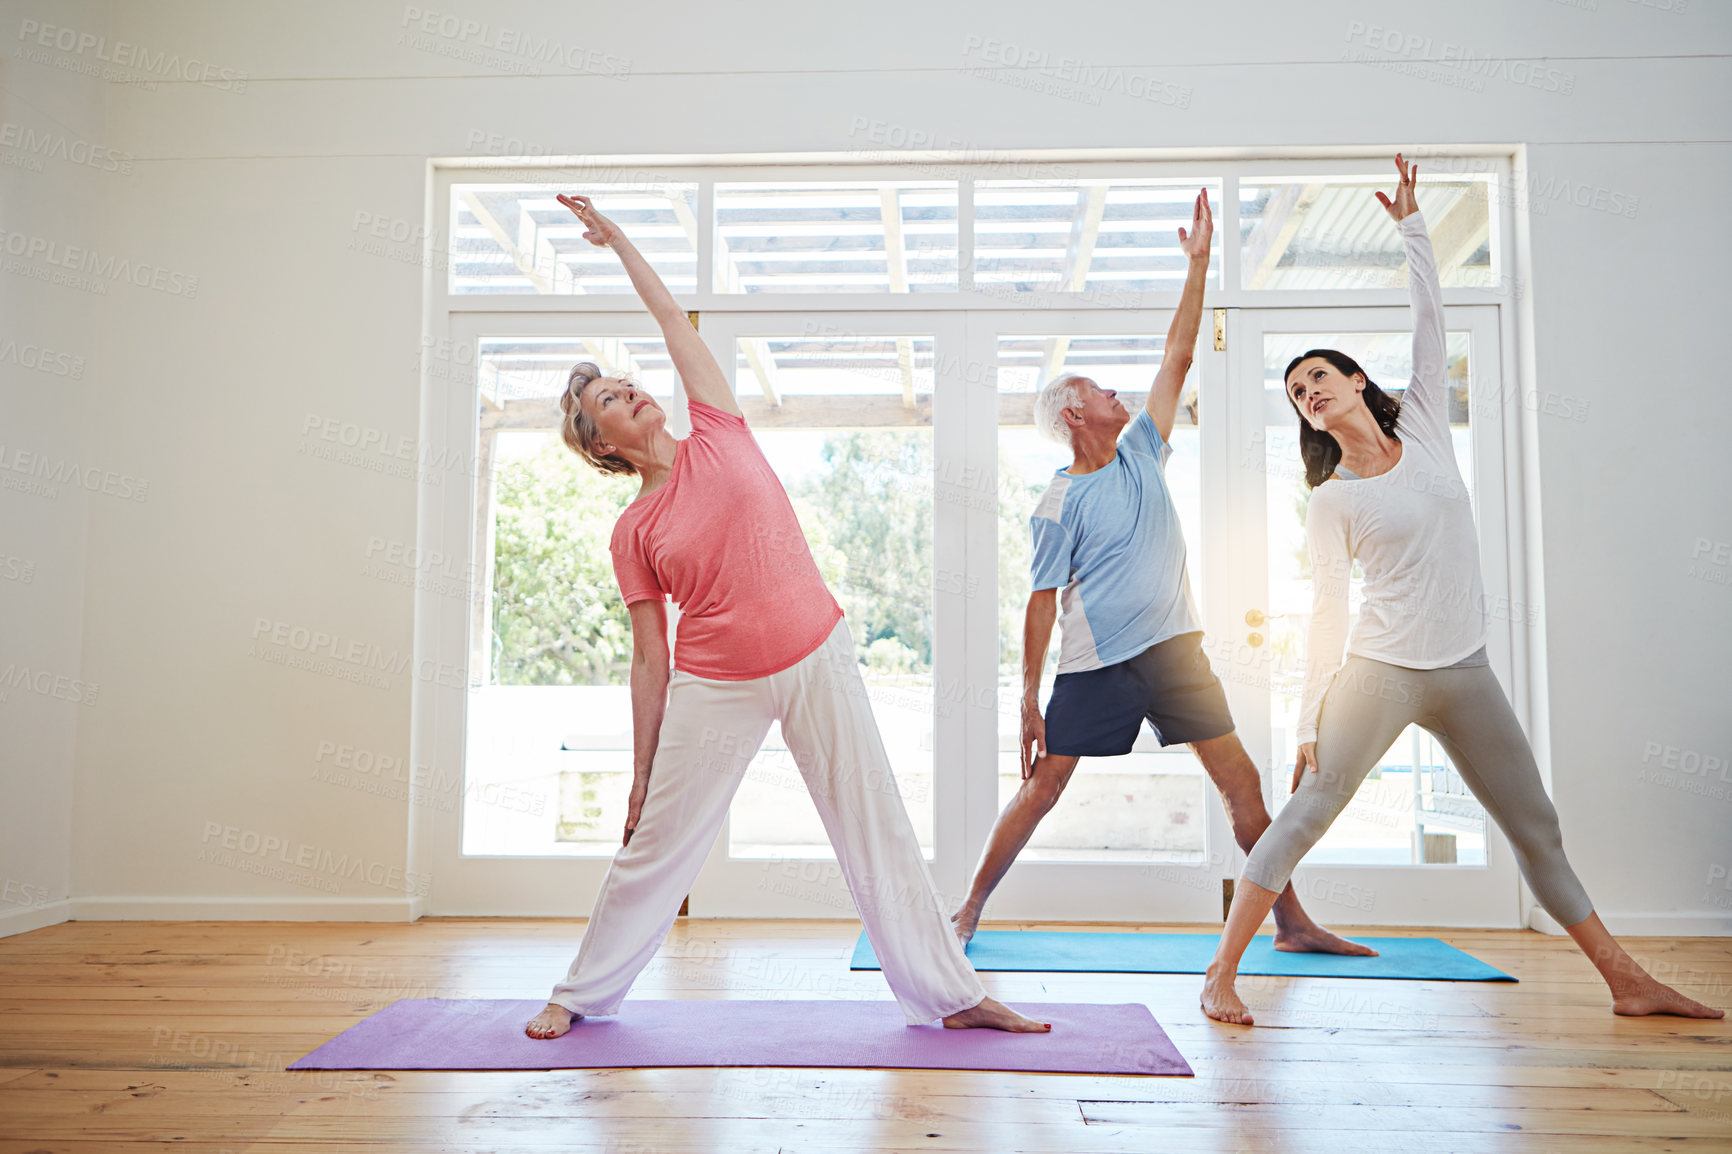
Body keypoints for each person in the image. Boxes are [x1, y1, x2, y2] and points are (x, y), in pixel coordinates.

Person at [1199, 155, 1723, 1025]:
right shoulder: (1332, 502)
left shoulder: (1431, 430)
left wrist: (1412, 229)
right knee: (1307, 814)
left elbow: (1430, 320)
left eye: (1318, 378)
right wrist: (1305, 720)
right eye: (1296, 394)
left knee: (1536, 825)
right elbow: (1326, 614)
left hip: (1465, 670)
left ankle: (1627, 981)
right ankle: (1221, 973)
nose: (1309, 394)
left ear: (1355, 380)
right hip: (1377, 672)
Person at [524, 194, 1048, 1040]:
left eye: (626, 383)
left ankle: (955, 997)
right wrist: (640, 767)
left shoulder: (720, 429)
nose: (630, 391)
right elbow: (650, 659)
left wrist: (617, 240)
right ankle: (580, 992)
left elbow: (669, 321)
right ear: (602, 445)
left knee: (874, 821)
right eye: (611, 402)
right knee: (656, 842)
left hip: (815, 653)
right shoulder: (635, 529)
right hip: (715, 681)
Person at [950, 190, 1370, 961]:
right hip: (1097, 666)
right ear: (1075, 415)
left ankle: (1292, 923)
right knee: (1043, 789)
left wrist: (1200, 265)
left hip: (1178, 652)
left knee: (1242, 787)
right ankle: (966, 911)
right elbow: (1039, 604)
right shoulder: (1059, 499)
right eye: (1100, 391)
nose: (1118, 394)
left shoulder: (1142, 448)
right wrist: (1027, 696)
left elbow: (1178, 357)